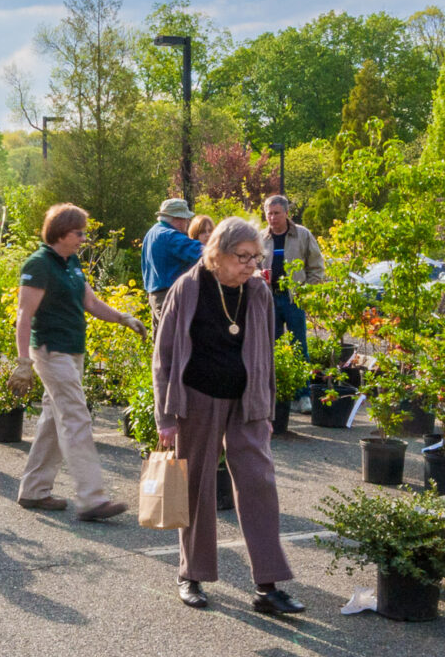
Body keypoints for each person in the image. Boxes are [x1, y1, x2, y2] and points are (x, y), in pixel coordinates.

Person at [152, 217, 305, 614]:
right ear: (217, 253)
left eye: (256, 257)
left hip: (246, 402)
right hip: (197, 398)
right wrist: (165, 416)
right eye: (242, 257)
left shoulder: (257, 291)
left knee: (259, 483)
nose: (251, 266)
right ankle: (191, 575)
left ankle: (267, 587)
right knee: (196, 486)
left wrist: (266, 407)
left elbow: (264, 355)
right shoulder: (188, 288)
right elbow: (164, 355)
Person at [10, 203, 146, 521]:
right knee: (76, 417)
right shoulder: (39, 264)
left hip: (73, 351)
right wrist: (22, 361)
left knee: (52, 422)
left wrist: (123, 318)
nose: (83, 238)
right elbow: (24, 316)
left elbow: (90, 302)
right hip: (50, 351)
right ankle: (91, 499)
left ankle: (34, 490)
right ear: (60, 232)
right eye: (78, 233)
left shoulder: (71, 262)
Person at [258, 195, 325, 422]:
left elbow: (316, 268)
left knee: (299, 346)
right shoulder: (261, 238)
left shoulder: (302, 235)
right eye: (269, 213)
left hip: (294, 299)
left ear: (287, 213)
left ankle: (303, 395)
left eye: (276, 213)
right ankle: (276, 395)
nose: (272, 218)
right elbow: (252, 265)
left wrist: (306, 292)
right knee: (273, 348)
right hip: (269, 299)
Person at [142, 198, 204, 322]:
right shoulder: (169, 236)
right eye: (186, 218)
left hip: (155, 297)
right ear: (178, 219)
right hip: (169, 297)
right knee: (178, 338)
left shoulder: (152, 232)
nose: (188, 221)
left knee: (162, 339)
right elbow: (201, 252)